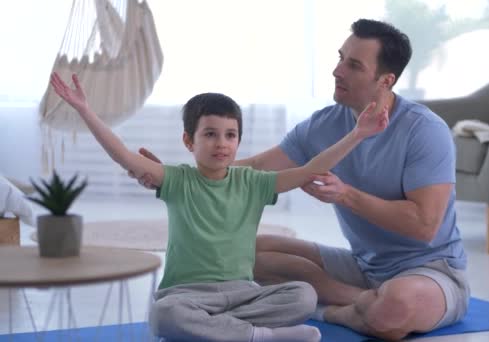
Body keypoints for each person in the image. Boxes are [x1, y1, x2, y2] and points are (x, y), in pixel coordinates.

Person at [134, 18, 469, 341]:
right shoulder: (324, 124)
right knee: (243, 251)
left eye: (354, 65)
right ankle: (358, 301)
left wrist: (346, 195)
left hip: (430, 270)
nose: (337, 70)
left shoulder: (424, 131)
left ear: (385, 81)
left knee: (395, 306)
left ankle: (335, 311)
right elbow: (259, 167)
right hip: (362, 265)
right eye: (340, 58)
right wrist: (172, 177)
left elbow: (424, 226)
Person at [49, 71, 389, 342]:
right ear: (189, 141)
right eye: (210, 134)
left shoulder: (253, 181)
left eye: (230, 135)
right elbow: (123, 155)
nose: (221, 143)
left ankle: (220, 330)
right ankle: (259, 335)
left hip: (242, 295)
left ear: (239, 140)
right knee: (163, 314)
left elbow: (310, 169)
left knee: (303, 295)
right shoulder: (177, 180)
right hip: (185, 295)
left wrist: (357, 135)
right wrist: (84, 110)